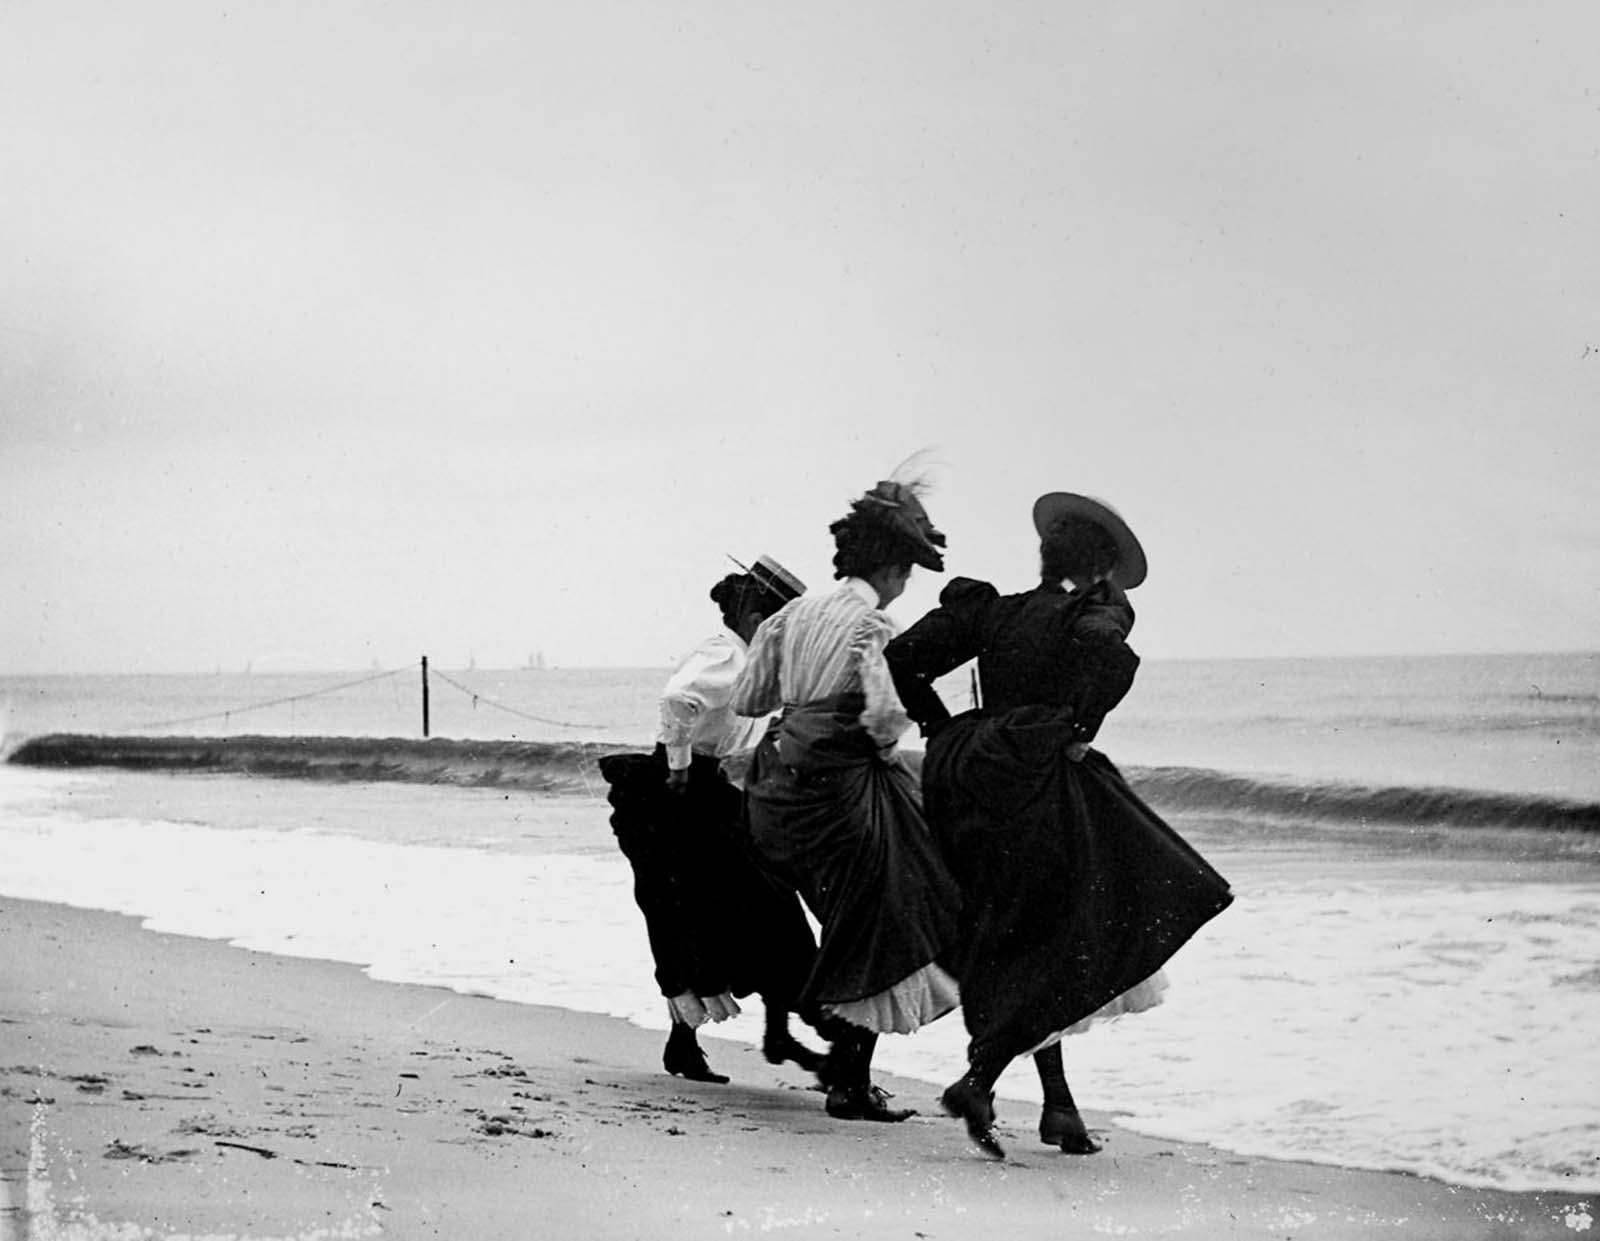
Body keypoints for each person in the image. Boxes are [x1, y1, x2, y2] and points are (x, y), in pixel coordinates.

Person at [885, 491, 1234, 1159]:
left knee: (1020, 932)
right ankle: (984, 1080)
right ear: (1100, 568)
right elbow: (1112, 657)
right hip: (1041, 782)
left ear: (1047, 558)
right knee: (1077, 926)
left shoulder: (998, 609)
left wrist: (939, 724)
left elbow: (904, 656)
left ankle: (1055, 1106)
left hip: (972, 778)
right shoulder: (1089, 613)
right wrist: (1078, 727)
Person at [730, 480, 964, 1123]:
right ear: (891, 568)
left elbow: (749, 701)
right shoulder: (872, 623)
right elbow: (885, 716)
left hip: (781, 791)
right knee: (882, 920)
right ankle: (849, 1086)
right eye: (907, 574)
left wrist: (806, 706)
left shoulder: (790, 615)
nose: (904, 586)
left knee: (847, 923)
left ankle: (844, 1073)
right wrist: (889, 744)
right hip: (847, 791)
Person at [598, 556, 825, 1085]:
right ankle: (803, 1028)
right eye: (779, 623)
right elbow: (677, 703)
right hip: (681, 789)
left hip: (710, 790)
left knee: (716, 907)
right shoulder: (725, 652)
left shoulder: (750, 659)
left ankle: (703, 1040)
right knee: (710, 906)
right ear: (756, 617)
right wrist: (678, 770)